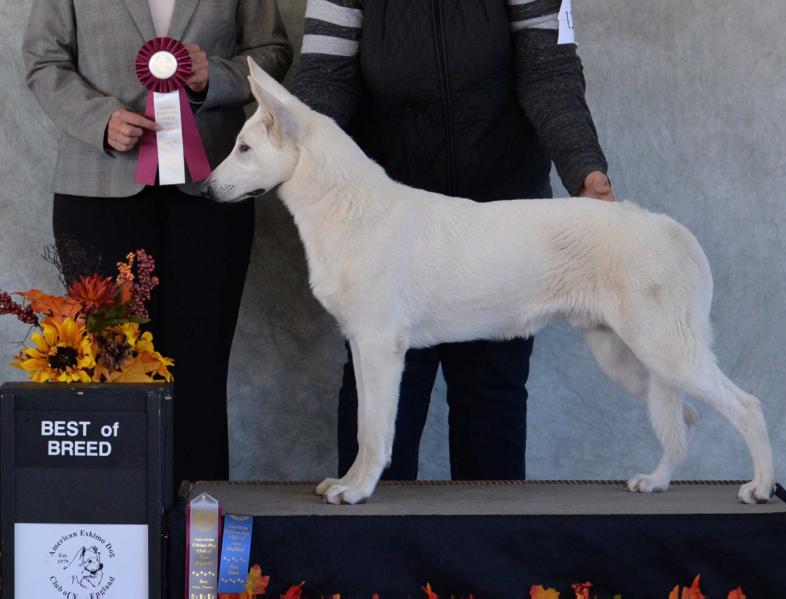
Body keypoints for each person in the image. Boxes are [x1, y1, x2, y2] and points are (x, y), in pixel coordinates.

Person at [293, 0, 614, 481]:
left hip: (501, 220)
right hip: (388, 224)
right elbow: (324, 80)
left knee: (492, 393)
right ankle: (372, 542)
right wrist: (302, 159)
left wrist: (584, 170)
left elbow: (550, 73)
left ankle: (495, 547)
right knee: (380, 390)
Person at [23, 0, 292, 485]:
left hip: (211, 188)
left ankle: (198, 540)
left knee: (200, 372)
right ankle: (114, 530)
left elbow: (272, 52)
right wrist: (100, 120)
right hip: (99, 191)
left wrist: (217, 79)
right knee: (109, 371)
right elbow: (44, 59)